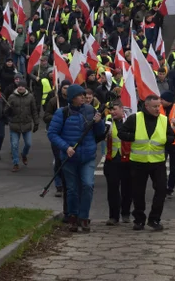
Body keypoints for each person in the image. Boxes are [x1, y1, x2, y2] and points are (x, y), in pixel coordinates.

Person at [48, 84, 105, 233]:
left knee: (87, 185)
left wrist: (99, 122)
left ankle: (84, 217)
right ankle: (73, 216)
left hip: (87, 157)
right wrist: (66, 147)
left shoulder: (91, 110)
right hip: (69, 158)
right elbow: (52, 134)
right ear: (73, 97)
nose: (84, 97)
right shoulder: (62, 113)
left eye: (84, 95)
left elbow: (99, 133)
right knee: (72, 189)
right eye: (81, 95)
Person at [118, 94, 175, 231]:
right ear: (147, 106)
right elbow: (121, 133)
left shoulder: (163, 119)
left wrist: (166, 140)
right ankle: (139, 219)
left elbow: (171, 136)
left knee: (161, 190)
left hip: (158, 162)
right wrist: (133, 137)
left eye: (159, 106)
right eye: (155, 106)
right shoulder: (135, 118)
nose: (157, 109)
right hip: (138, 161)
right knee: (138, 192)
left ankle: (154, 219)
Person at [104, 100, 132, 225]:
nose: (112, 112)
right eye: (111, 110)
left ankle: (125, 213)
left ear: (122, 109)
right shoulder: (108, 121)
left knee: (127, 188)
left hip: (127, 159)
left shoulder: (129, 121)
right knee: (112, 188)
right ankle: (113, 216)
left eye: (115, 109)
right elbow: (101, 134)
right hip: (112, 159)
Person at [43, 79, 71, 201]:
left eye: (69, 87)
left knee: (68, 160)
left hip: (70, 135)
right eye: (65, 87)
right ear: (61, 88)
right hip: (57, 135)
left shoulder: (73, 101)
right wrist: (58, 117)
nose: (67, 90)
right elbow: (46, 116)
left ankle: (68, 184)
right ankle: (59, 186)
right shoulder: (55, 101)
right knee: (59, 160)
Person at [6, 78, 39, 172]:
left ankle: (24, 154)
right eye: (19, 86)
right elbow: (5, 111)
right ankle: (15, 163)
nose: (20, 87)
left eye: (22, 86)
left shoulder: (30, 97)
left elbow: (34, 110)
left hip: (27, 124)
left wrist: (36, 122)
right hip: (14, 125)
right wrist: (8, 109)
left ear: (25, 87)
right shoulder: (12, 97)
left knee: (28, 144)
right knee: (14, 145)